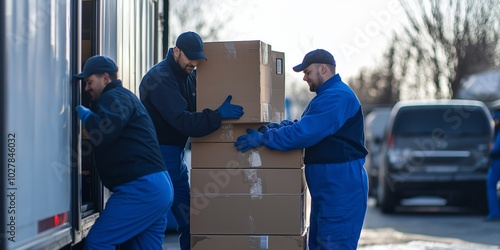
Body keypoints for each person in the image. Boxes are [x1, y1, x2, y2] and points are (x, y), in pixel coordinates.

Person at [234, 49, 369, 249]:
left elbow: (306, 132)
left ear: (323, 69)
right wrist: (278, 128)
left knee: (333, 245)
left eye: (307, 72)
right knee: (319, 244)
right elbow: (305, 125)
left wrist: (265, 138)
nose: (304, 78)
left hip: (341, 187)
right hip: (330, 188)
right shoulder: (327, 96)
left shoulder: (337, 96)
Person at [139, 31, 244, 250]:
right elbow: (183, 121)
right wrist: (218, 115)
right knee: (151, 222)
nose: (194, 63)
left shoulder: (188, 75)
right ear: (176, 51)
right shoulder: (159, 78)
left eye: (198, 58)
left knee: (189, 220)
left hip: (174, 156)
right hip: (157, 157)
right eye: (190, 58)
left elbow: (200, 105)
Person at [74, 55, 174, 249]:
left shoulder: (114, 97)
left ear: (105, 78)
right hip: (159, 187)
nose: (86, 88)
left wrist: (86, 115)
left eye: (89, 82)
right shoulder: (126, 97)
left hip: (141, 188)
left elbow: (104, 131)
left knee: (98, 242)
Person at [486, 112, 500, 221]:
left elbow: (496, 150)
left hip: (497, 162)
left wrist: (489, 154)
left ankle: (495, 213)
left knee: (491, 185)